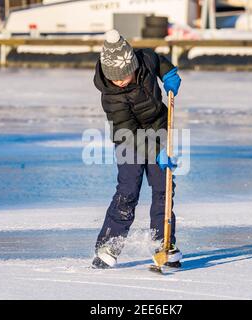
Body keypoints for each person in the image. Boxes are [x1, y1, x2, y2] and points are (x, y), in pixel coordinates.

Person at [92, 29, 182, 269]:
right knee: (128, 190)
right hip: (128, 139)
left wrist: (169, 73)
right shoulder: (111, 97)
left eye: (125, 74)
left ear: (133, 64)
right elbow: (129, 133)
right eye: (115, 78)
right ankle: (108, 245)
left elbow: (158, 61)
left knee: (164, 188)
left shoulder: (145, 60)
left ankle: (163, 242)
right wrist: (156, 152)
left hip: (159, 129)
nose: (121, 80)